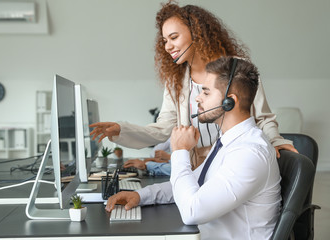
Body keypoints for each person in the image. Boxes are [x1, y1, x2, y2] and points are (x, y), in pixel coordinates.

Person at [90, 1, 297, 169]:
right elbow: (163, 129)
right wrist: (120, 129)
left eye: (173, 37)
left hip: (233, 159)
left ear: (196, 33)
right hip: (195, 165)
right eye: (164, 40)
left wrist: (276, 141)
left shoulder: (236, 68)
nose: (168, 46)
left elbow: (263, 117)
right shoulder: (177, 80)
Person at [106, 57, 281, 240]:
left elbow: (192, 211)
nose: (198, 98)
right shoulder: (228, 142)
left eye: (206, 92)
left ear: (229, 102)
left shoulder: (249, 153)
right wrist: (140, 196)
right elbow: (193, 183)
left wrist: (180, 150)